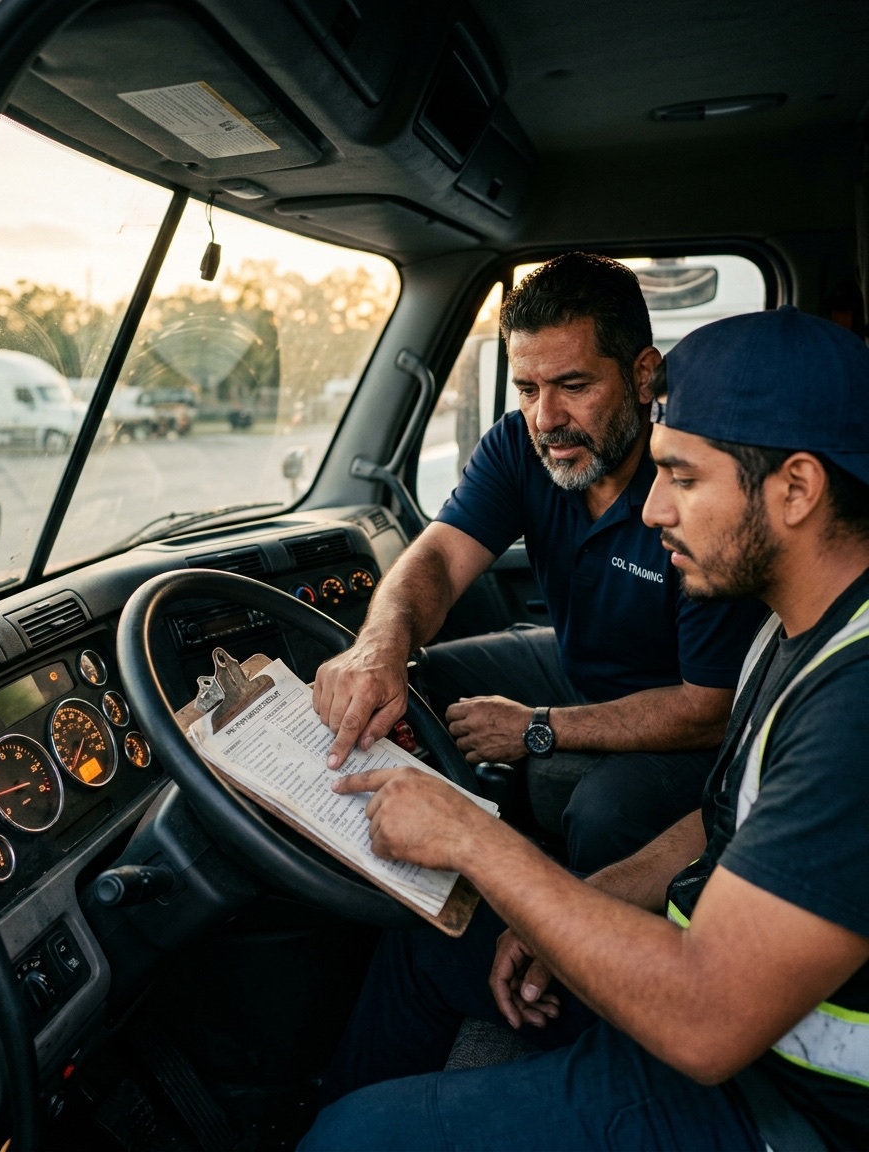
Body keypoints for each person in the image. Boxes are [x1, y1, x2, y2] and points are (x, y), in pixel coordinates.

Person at [300, 306, 869, 1152]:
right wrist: (583, 903)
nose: (652, 511)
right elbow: (722, 829)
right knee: (430, 943)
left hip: (779, 1105)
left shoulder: (853, 709)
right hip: (720, 999)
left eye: (682, 477)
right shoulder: (800, 627)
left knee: (351, 1139)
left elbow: (709, 1023)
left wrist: (474, 840)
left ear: (795, 488)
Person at [314, 252, 764, 871]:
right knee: (413, 683)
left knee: (603, 813)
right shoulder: (517, 446)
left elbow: (707, 709)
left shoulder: (689, 489)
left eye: (574, 386)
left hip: (688, 716)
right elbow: (441, 558)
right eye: (528, 389)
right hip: (573, 663)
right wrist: (378, 647)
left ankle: (575, 939)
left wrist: (537, 727)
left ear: (641, 375)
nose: (546, 419)